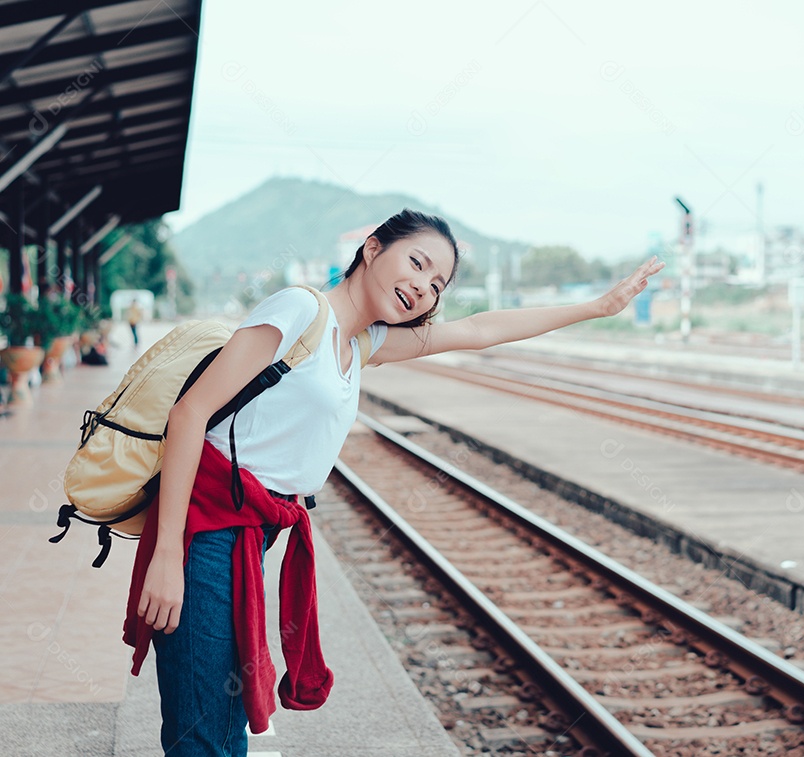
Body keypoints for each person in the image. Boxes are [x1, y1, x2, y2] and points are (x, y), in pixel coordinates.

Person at [129, 208, 664, 756]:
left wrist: (598, 307)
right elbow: (190, 414)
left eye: (436, 284)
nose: (423, 287)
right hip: (206, 532)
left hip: (249, 535)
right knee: (204, 732)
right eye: (417, 262)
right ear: (372, 248)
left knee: (221, 722)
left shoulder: (360, 343)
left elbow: (479, 329)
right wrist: (167, 555)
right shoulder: (300, 310)